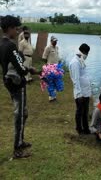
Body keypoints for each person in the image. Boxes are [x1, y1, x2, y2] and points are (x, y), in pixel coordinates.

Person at [0, 15, 39, 159]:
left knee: (24, 112)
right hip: (17, 85)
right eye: (16, 29)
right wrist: (31, 70)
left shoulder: (2, 45)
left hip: (8, 82)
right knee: (20, 116)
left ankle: (21, 141)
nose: (17, 32)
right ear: (9, 29)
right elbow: (21, 69)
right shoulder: (10, 46)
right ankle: (17, 149)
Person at [69, 43, 91, 135]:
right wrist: (79, 94)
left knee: (85, 111)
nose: (87, 55)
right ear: (84, 52)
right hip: (81, 93)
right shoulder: (75, 62)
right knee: (80, 111)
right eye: (87, 53)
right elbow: (76, 79)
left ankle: (86, 129)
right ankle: (79, 129)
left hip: (85, 91)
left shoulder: (80, 60)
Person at [42, 36, 60, 101]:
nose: (55, 42)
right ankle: (50, 97)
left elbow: (57, 57)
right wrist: (47, 67)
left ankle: (54, 96)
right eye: (54, 41)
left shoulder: (57, 48)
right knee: (50, 82)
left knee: (55, 81)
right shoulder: (48, 47)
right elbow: (44, 58)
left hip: (56, 67)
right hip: (50, 67)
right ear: (51, 41)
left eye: (56, 41)